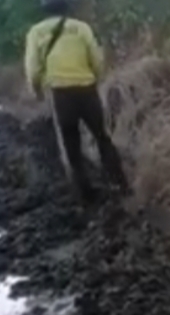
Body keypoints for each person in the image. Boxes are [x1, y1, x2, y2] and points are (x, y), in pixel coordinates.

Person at [23, 0, 129, 203]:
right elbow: (96, 59)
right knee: (102, 137)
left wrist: (36, 90)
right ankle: (120, 185)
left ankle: (85, 195)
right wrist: (94, 79)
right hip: (87, 89)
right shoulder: (81, 28)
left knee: (71, 144)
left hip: (61, 94)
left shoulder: (36, 32)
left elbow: (33, 68)